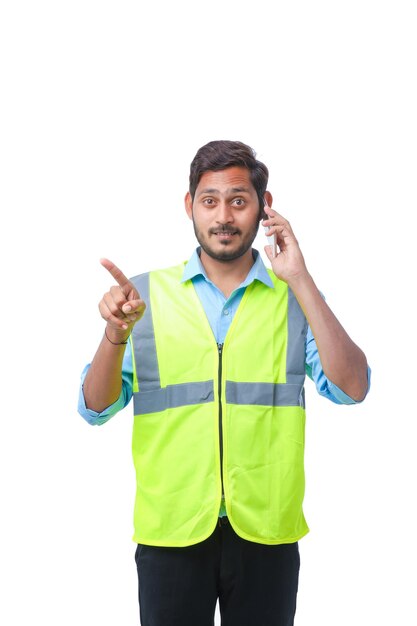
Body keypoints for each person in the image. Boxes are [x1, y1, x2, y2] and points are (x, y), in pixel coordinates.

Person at [78, 140, 370, 626]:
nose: (224, 217)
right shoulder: (143, 296)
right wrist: (113, 336)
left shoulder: (294, 298)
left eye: (239, 200)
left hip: (267, 532)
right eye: (210, 201)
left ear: (264, 206)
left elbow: (353, 387)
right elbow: (95, 407)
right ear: (190, 206)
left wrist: (300, 278)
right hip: (170, 532)